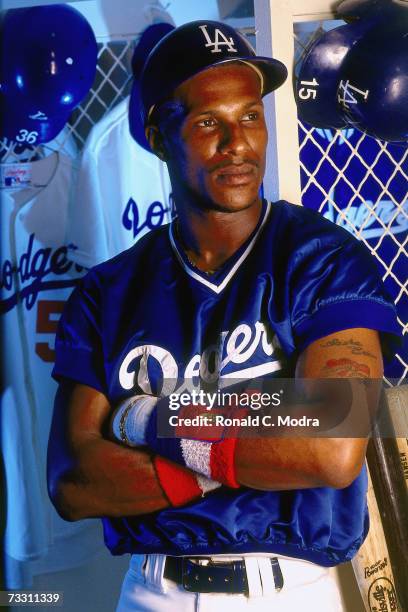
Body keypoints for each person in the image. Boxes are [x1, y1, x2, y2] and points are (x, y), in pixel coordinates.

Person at [47, 20, 400, 612]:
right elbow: (74, 484)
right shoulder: (106, 291)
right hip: (151, 589)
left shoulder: (324, 259)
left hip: (291, 591)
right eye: (210, 122)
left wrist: (150, 421)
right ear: (160, 134)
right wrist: (262, 432)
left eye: (251, 116)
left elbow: (334, 447)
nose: (238, 143)